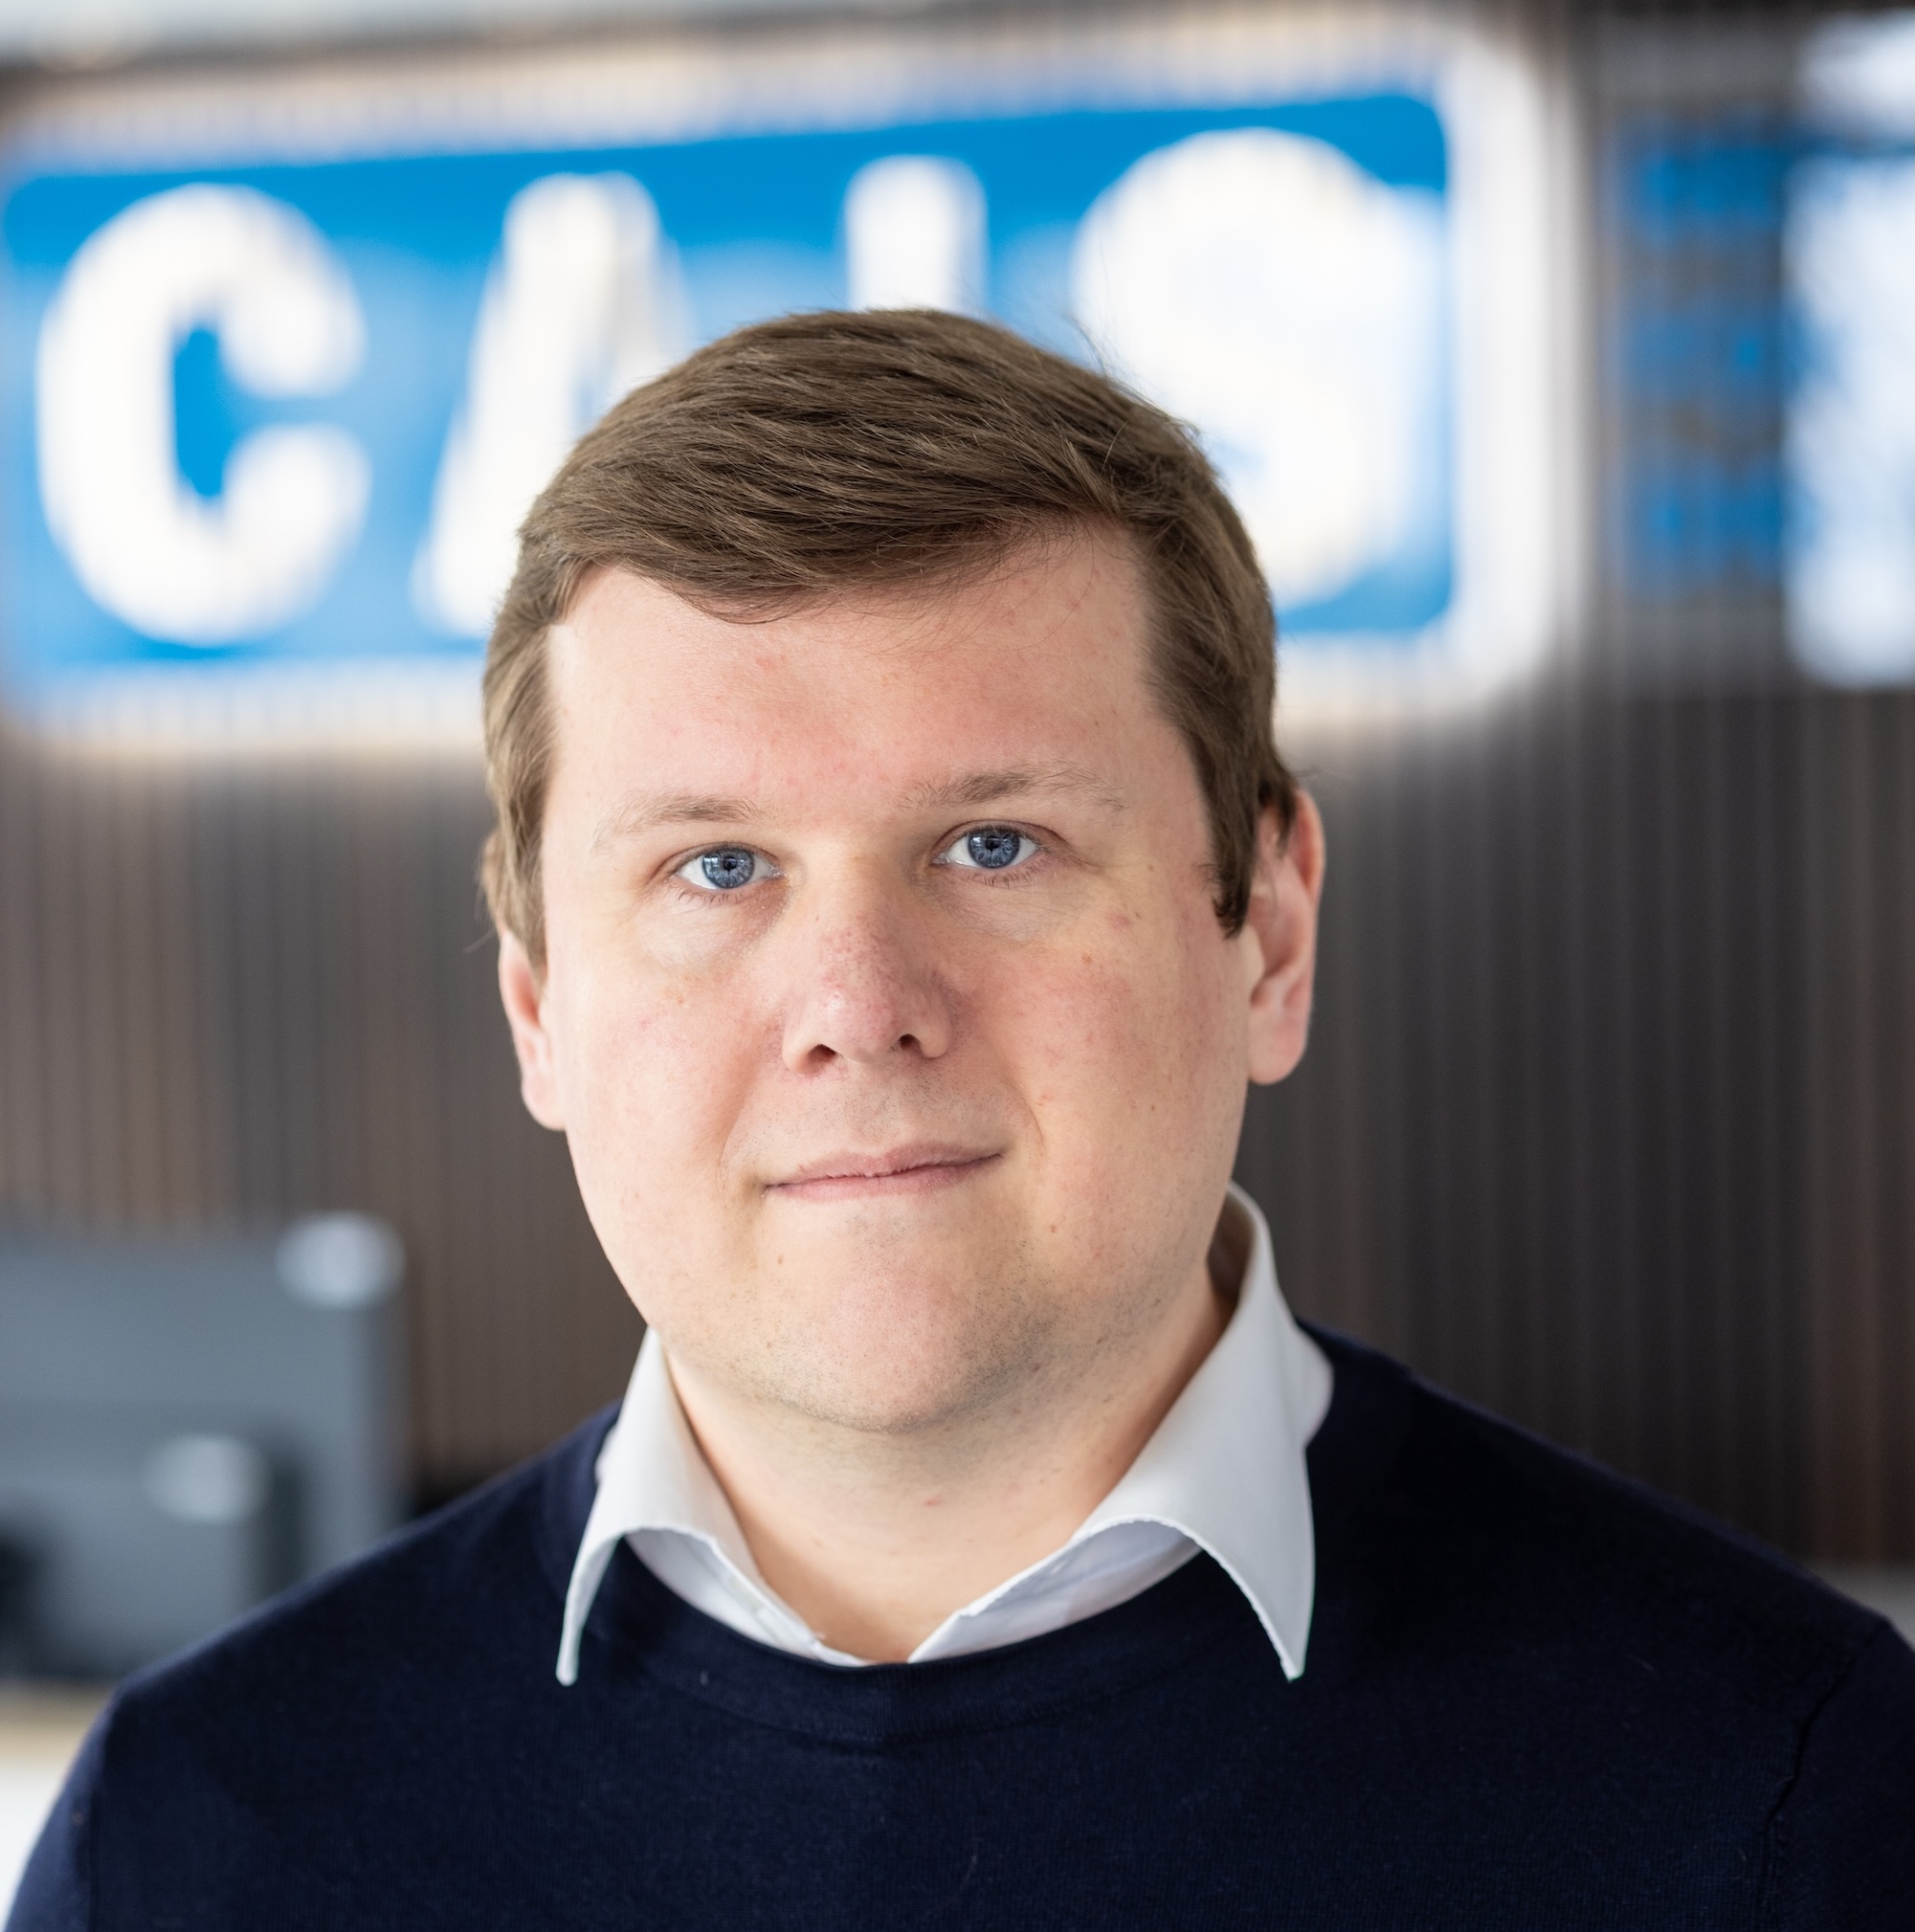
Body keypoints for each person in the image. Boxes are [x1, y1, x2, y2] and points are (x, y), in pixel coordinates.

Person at [12, 311, 1911, 1930]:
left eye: (993, 844)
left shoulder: (1783, 1793)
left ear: (1266, 927)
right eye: (715, 864)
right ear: (535, 1001)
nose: (856, 1006)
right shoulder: (198, 1835)